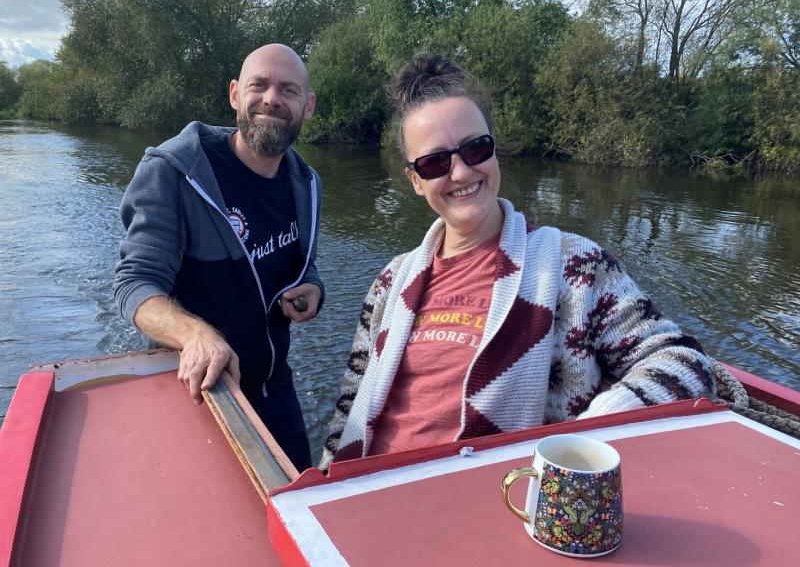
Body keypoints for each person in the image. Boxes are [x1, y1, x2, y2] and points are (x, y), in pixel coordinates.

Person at [321, 52, 716, 468]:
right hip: (367, 492)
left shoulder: (573, 266)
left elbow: (684, 362)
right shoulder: (390, 282)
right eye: (435, 162)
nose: (459, 173)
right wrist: (325, 484)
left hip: (499, 497)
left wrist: (590, 432)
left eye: (475, 148)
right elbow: (350, 407)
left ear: (494, 152)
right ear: (416, 181)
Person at [114, 43, 322, 471]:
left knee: (303, 507)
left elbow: (303, 264)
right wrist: (194, 335)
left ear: (307, 105)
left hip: (276, 389)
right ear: (233, 94)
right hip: (202, 392)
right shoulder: (172, 173)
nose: (272, 99)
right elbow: (134, 285)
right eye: (258, 85)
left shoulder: (305, 182)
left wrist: (313, 288)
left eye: (288, 90)